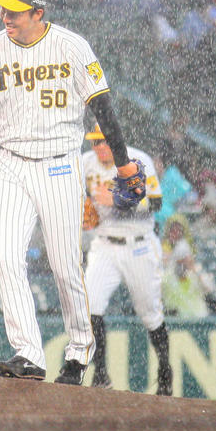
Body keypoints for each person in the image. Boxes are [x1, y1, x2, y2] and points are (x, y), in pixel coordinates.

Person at [0, 0, 144, 385]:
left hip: (60, 162)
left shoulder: (72, 46)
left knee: (64, 266)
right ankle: (28, 353)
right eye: (3, 8)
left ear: (38, 13)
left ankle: (78, 353)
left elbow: (102, 106)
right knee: (6, 260)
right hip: (9, 163)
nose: (5, 16)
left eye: (15, 11)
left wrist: (123, 162)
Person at [80, 126, 172, 395]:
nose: (99, 146)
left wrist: (120, 198)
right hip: (105, 244)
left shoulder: (136, 161)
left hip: (139, 246)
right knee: (90, 306)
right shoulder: (86, 163)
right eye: (95, 141)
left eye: (104, 140)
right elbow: (81, 198)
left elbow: (156, 203)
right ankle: (101, 374)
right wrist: (83, 210)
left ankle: (165, 373)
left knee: (150, 314)